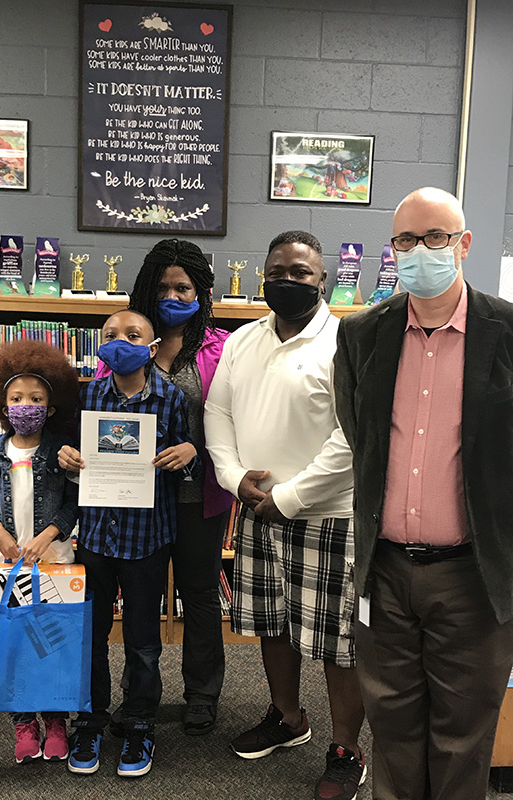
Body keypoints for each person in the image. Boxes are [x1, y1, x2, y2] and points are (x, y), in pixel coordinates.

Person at [333, 186, 513, 800]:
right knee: (393, 727)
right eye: (405, 240)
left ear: (462, 245)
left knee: (463, 736)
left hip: (474, 576)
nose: (419, 251)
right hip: (384, 573)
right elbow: (361, 442)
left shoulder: (508, 332)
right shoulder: (360, 336)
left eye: (434, 237)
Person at [205, 231, 366, 800]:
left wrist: (289, 498)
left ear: (323, 280)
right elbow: (217, 414)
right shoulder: (241, 340)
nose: (288, 281)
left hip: (328, 517)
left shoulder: (347, 339)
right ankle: (287, 717)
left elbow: (354, 437)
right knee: (272, 623)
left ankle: (346, 747)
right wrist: (232, 479)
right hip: (255, 509)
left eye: (301, 273)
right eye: (278, 271)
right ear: (262, 274)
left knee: (337, 641)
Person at [97, 239, 233, 735]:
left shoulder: (223, 347)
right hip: (137, 502)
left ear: (202, 291)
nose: (173, 295)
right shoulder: (125, 341)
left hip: (201, 498)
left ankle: (202, 694)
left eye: (184, 287)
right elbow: (100, 415)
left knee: (198, 593)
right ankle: (140, 698)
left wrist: (198, 447)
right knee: (140, 600)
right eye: (162, 288)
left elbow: (235, 417)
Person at [58, 308, 198, 778]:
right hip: (95, 537)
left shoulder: (171, 398)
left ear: (151, 348)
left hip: (147, 539)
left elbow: (187, 452)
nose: (120, 341)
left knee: (142, 642)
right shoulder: (90, 394)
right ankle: (92, 721)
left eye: (132, 335)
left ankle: (139, 723)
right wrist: (67, 458)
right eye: (111, 334)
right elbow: (68, 456)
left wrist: (189, 452)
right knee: (92, 637)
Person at [0, 338, 79, 764]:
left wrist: (49, 534)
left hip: (55, 562)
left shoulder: (60, 451)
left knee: (52, 640)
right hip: (9, 564)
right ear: (2, 404)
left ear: (51, 407)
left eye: (36, 398)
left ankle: (56, 720)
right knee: (14, 640)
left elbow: (73, 503)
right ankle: (24, 722)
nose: (25, 405)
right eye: (16, 398)